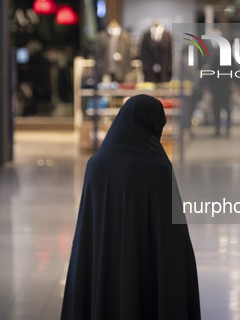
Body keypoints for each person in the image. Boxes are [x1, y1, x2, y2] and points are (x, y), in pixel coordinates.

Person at [61, 95, 202, 320]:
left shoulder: (96, 166)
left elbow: (88, 232)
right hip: (146, 271)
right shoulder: (158, 168)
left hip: (104, 268)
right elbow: (171, 237)